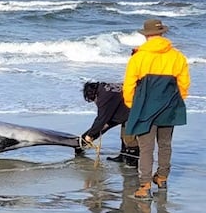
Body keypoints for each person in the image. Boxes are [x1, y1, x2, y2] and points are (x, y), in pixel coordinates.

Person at [123, 19, 190, 199]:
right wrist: (176, 101)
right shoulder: (177, 56)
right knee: (165, 144)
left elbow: (128, 85)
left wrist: (131, 105)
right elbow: (184, 84)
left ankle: (144, 186)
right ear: (162, 34)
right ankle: (162, 177)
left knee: (146, 147)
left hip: (145, 106)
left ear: (146, 36)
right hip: (169, 105)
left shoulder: (138, 57)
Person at [81, 81, 139, 166]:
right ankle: (123, 156)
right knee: (123, 136)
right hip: (128, 107)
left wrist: (89, 135)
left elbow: (101, 118)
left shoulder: (104, 97)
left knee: (129, 138)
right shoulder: (105, 88)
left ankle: (133, 160)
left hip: (134, 109)